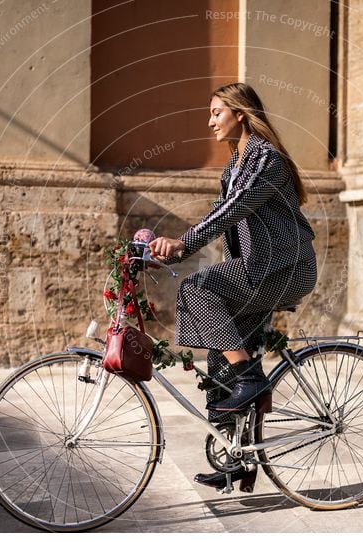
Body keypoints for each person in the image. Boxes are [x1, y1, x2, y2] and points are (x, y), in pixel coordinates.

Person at [149, 82, 317, 489]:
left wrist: (183, 244)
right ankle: (239, 460)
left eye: (216, 113)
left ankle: (252, 381)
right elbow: (222, 211)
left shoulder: (265, 159)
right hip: (257, 268)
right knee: (222, 364)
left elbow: (232, 210)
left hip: (283, 268)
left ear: (240, 113)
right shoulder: (235, 165)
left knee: (197, 287)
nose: (210, 122)